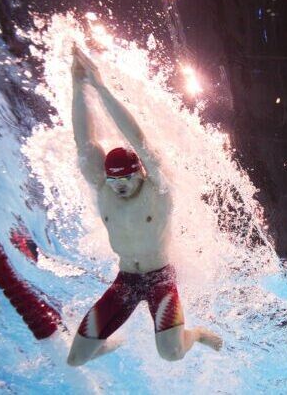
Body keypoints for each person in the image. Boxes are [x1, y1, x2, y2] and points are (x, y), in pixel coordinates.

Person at [66, 46, 222, 366]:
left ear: (140, 173)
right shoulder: (103, 186)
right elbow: (85, 141)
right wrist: (78, 84)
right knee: (76, 358)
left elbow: (139, 140)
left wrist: (100, 87)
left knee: (171, 353)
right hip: (126, 280)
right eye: (114, 181)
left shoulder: (158, 189)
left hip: (159, 278)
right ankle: (102, 345)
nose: (120, 187)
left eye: (126, 180)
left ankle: (196, 334)